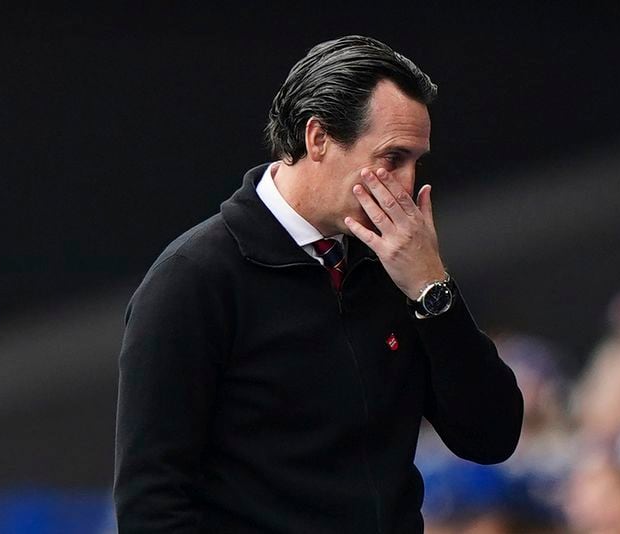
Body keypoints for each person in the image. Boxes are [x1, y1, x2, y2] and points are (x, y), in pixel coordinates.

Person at [113, 35, 523, 533]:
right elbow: (151, 502)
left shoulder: (397, 266)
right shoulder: (193, 279)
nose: (408, 183)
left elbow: (491, 436)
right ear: (318, 138)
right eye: (392, 158)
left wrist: (432, 289)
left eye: (417, 161)